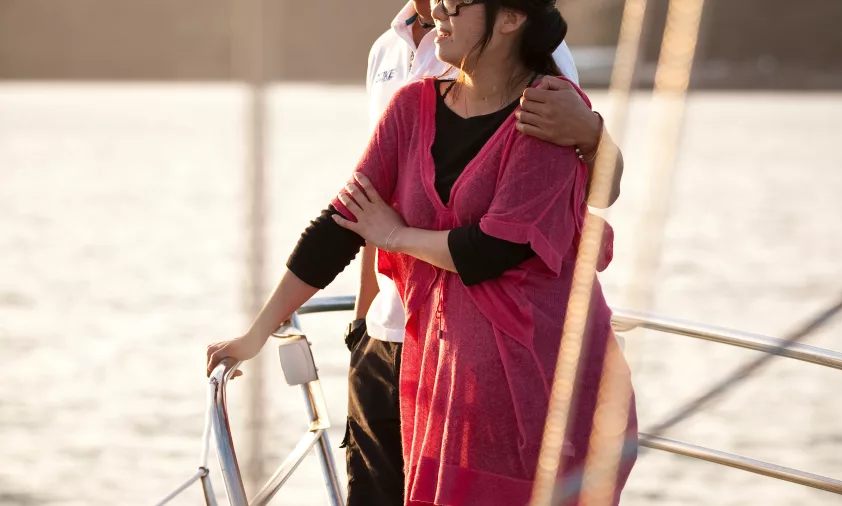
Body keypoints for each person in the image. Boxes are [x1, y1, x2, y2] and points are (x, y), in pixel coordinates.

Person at [207, 0, 636, 504]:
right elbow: (341, 224)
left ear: (511, 18)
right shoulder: (411, 106)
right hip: (437, 371)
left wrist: (393, 236)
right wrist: (258, 333)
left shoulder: (546, 108)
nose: (439, 16)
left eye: (455, 6)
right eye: (439, 6)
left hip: (536, 384)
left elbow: (495, 248)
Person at [340, 1, 622, 504]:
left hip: (472, 346)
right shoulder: (386, 49)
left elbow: (585, 187)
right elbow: (374, 196)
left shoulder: (528, 46)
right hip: (385, 332)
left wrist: (593, 134)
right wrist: (362, 324)